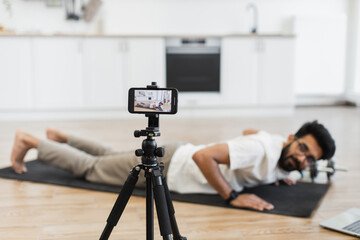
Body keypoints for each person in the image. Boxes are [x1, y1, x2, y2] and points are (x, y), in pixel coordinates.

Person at [10, 120, 335, 211]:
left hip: (175, 156)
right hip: (173, 165)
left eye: (309, 159)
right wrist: (232, 196)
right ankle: (31, 141)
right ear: (293, 137)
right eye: (302, 150)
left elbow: (251, 132)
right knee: (92, 169)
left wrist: (278, 175)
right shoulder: (260, 148)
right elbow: (203, 156)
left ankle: (61, 136)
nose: (301, 160)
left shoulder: (280, 147)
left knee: (109, 156)